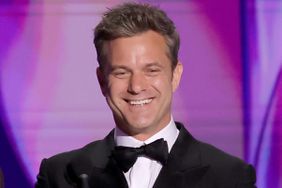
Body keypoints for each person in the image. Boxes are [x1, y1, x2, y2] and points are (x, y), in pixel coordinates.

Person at [35, 2, 256, 188]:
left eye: (151, 70)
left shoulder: (230, 177)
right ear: (102, 81)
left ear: (175, 75)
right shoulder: (59, 175)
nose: (137, 86)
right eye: (121, 72)